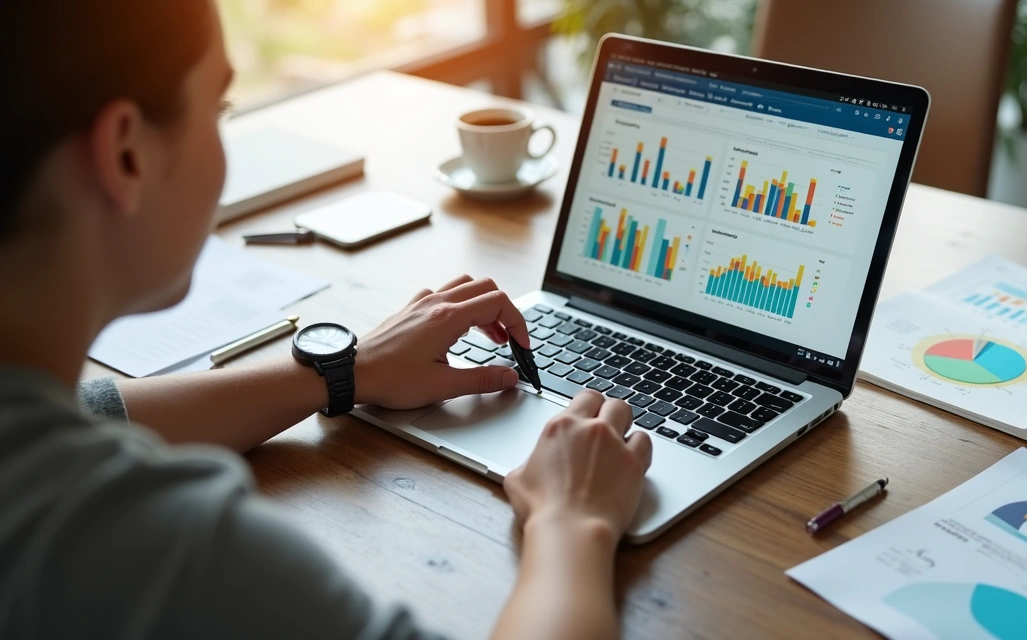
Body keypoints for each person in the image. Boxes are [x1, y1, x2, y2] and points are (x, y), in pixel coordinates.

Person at [0, 1, 653, 638]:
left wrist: (345, 372)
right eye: (218, 111)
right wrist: (572, 525)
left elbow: (90, 411)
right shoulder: (163, 548)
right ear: (126, 156)